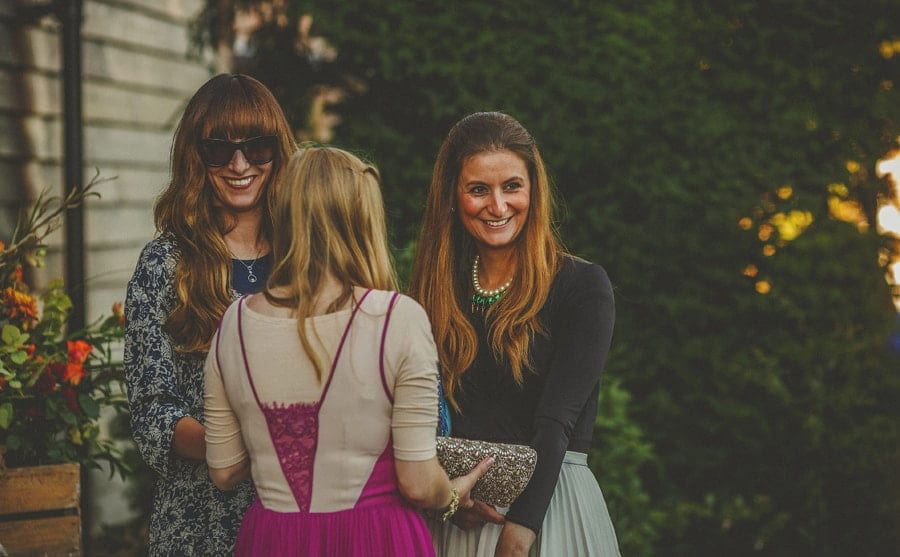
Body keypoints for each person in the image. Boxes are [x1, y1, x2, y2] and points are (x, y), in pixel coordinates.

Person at [203, 146, 493, 556]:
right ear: (363, 219)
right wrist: (452, 494)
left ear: (284, 215)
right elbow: (418, 482)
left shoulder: (232, 325)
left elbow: (225, 469)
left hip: (272, 539)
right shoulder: (397, 318)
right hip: (377, 538)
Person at [409, 111, 621, 556]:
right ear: (452, 195)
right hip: (457, 515)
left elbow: (556, 422)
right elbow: (419, 414)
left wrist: (520, 535)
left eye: (512, 187)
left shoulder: (581, 286)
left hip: (547, 507)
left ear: (534, 190)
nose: (498, 206)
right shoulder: (436, 288)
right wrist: (444, 495)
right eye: (478, 190)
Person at [124, 73, 297, 555]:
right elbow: (151, 410)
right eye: (219, 150)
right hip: (203, 519)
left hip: (304, 510)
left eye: (257, 147)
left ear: (278, 151)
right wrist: (237, 444)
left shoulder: (305, 254)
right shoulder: (165, 263)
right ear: (195, 157)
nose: (239, 164)